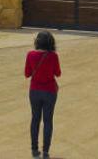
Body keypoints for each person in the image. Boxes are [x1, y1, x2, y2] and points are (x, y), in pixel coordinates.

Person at [24, 30, 61, 158]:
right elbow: (58, 73)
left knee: (35, 119)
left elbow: (27, 74)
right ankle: (45, 152)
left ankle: (34, 150)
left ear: (37, 42)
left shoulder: (30, 54)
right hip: (50, 91)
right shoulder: (53, 56)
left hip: (34, 91)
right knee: (48, 121)